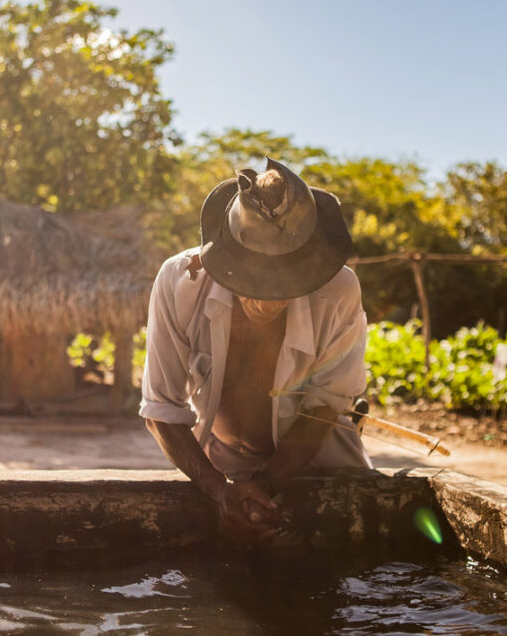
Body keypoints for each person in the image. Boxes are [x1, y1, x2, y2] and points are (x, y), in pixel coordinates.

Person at [140, 157, 371, 543]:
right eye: (253, 285)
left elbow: (325, 404)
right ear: (228, 262)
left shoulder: (338, 291)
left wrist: (264, 483)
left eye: (283, 288)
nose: (266, 305)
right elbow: (161, 409)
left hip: (320, 467)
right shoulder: (180, 283)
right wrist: (219, 491)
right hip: (220, 464)